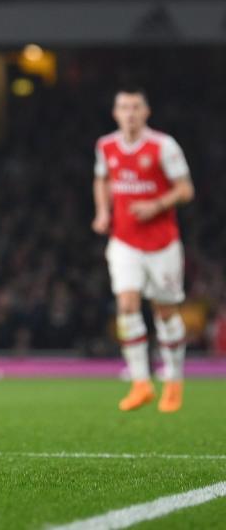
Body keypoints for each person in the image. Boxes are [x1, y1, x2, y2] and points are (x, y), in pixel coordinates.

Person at [92, 88, 194, 413]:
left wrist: (156, 205)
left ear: (146, 112)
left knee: (164, 311)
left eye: (136, 107)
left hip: (162, 242)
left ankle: (174, 381)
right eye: (124, 107)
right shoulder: (106, 145)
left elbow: (185, 189)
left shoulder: (163, 146)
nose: (130, 113)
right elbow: (102, 179)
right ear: (115, 112)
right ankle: (140, 383)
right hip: (124, 241)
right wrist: (103, 211)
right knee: (126, 304)